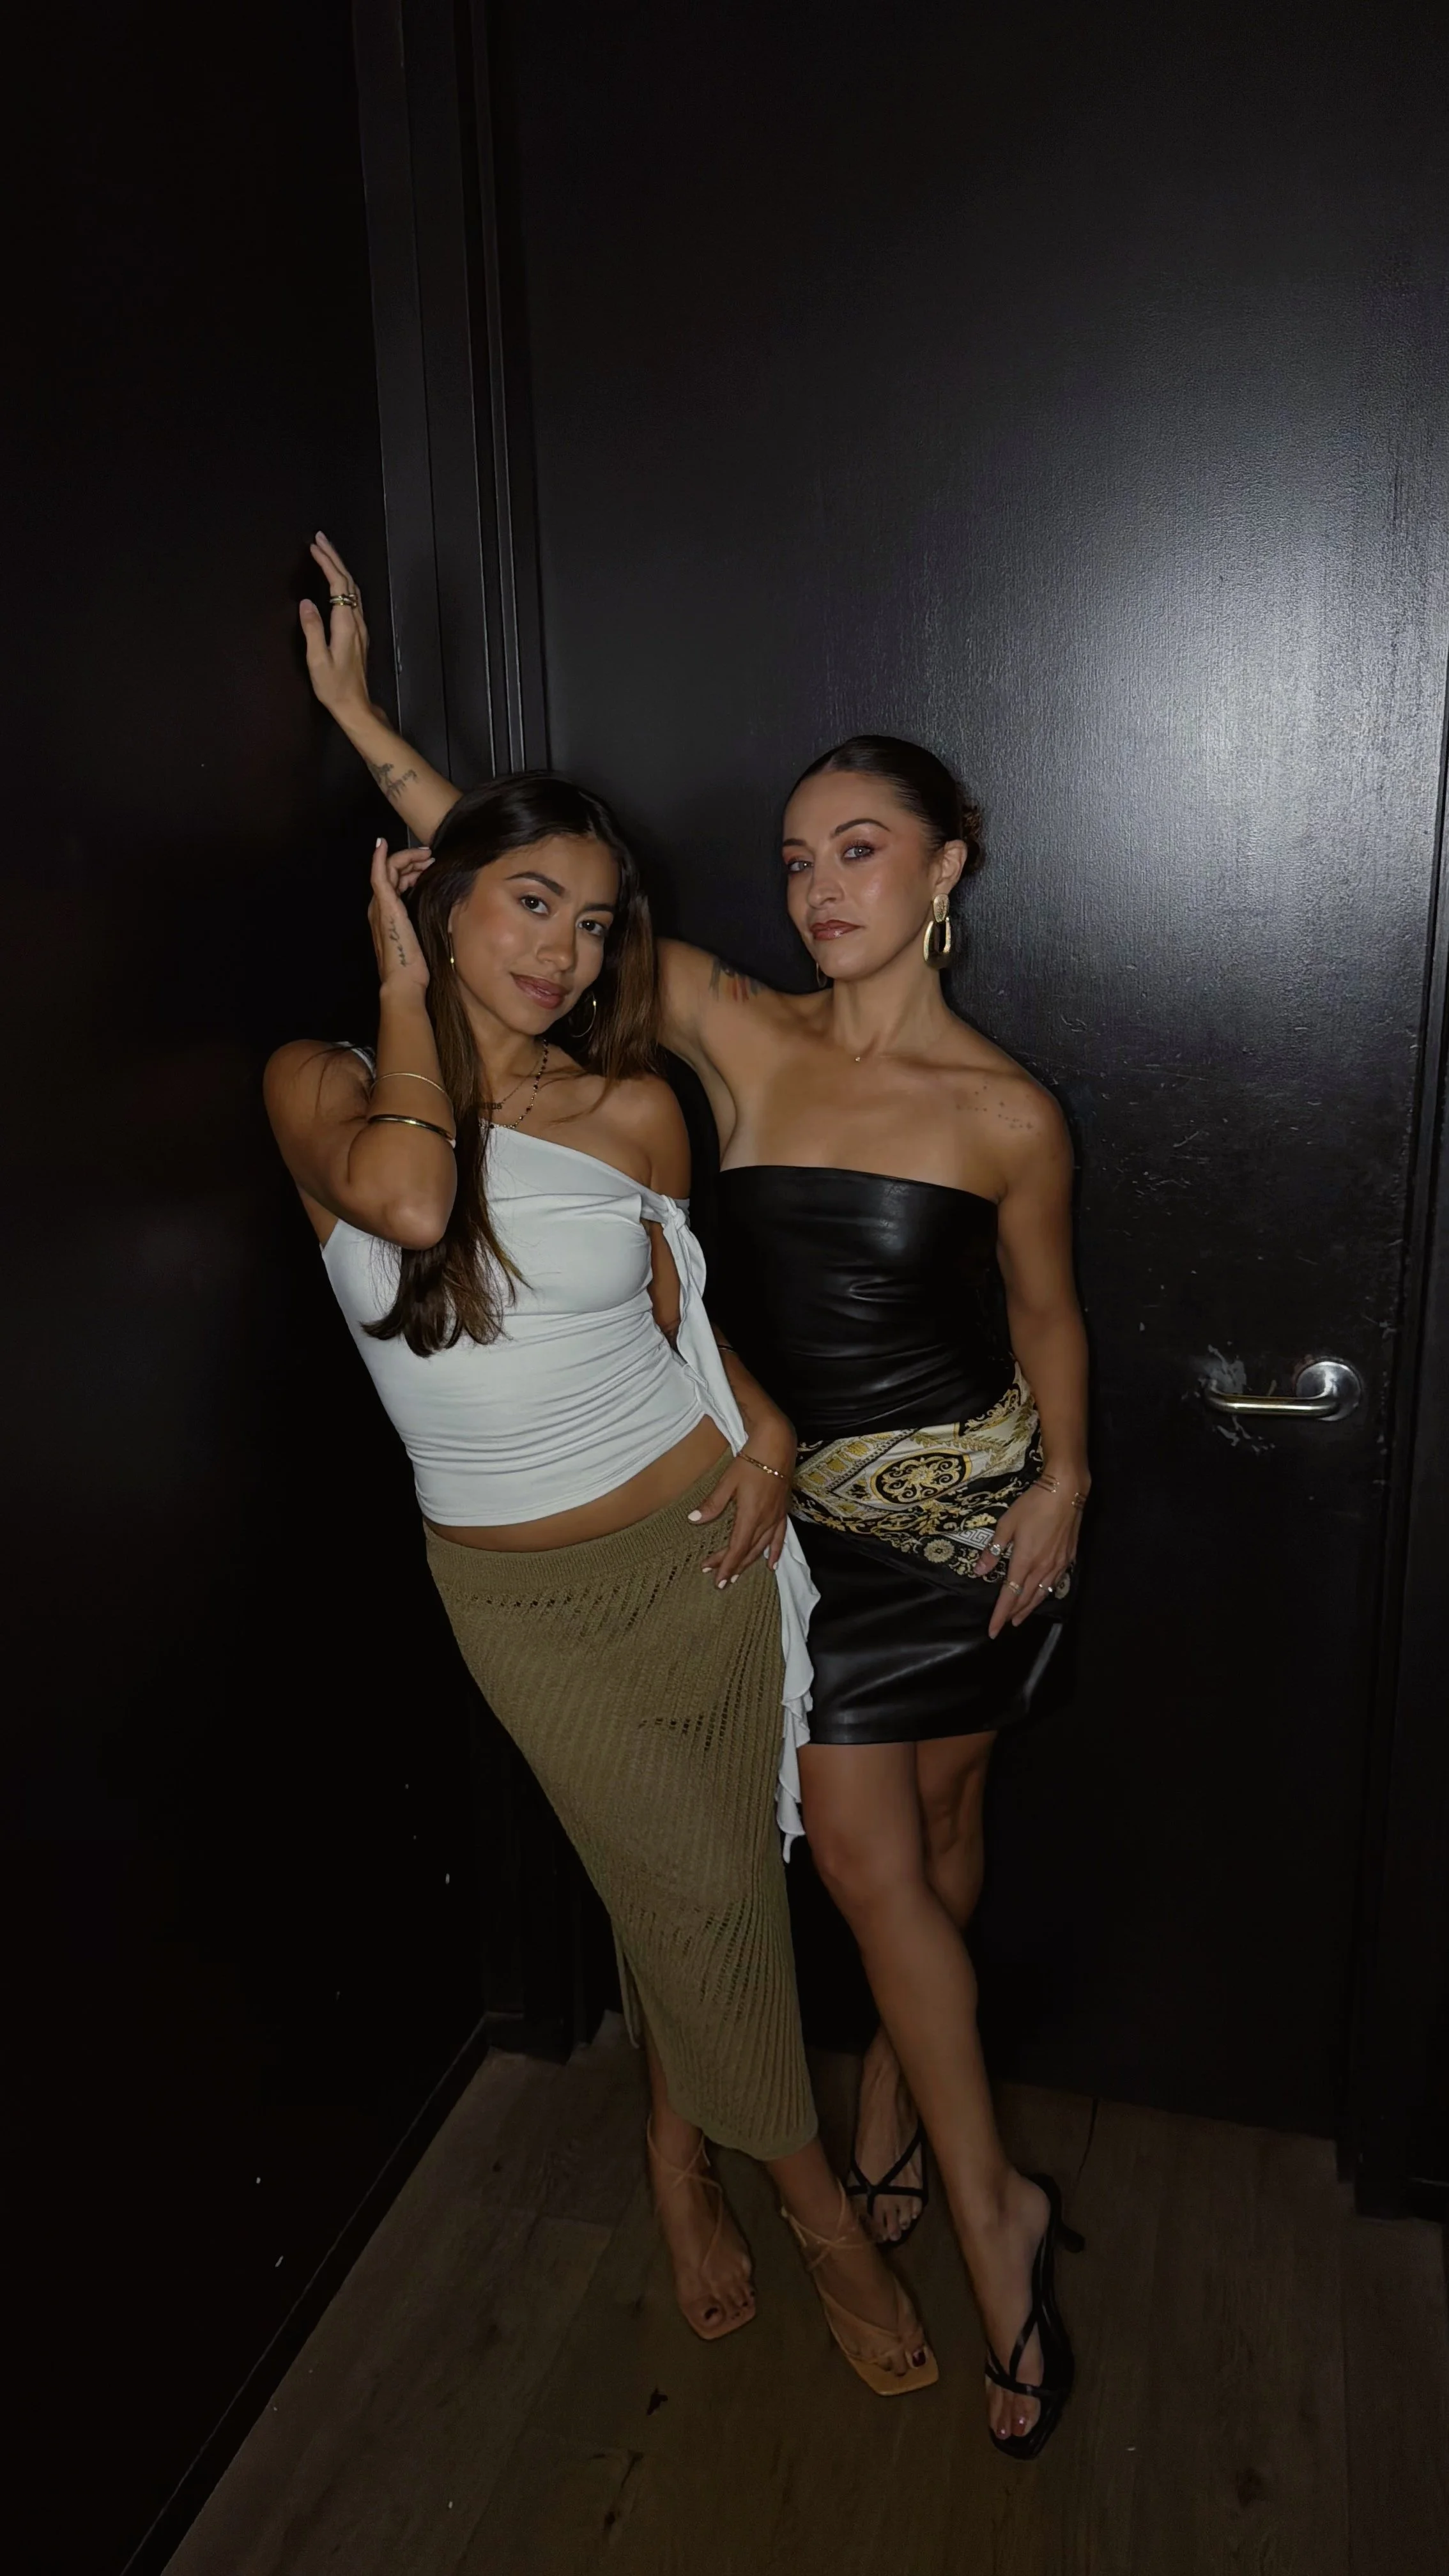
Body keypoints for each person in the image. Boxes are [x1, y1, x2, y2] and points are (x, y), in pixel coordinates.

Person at [297, 536, 1087, 2455]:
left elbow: (1047, 1311)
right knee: (810, 1872)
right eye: (800, 855)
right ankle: (954, 2222)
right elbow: (517, 895)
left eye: (860, 851)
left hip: (970, 1513)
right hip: (781, 1526)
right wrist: (362, 728)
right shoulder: (730, 1029)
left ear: (943, 867)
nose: (820, 886)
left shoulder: (1006, 1108)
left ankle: (899, 2132)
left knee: (942, 1836)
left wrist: (1068, 1480)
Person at [264, 769, 937, 2398]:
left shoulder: (632, 1110)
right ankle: (823, 2216)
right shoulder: (320, 1088)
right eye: (530, 904)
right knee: (701, 1897)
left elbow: (681, 1334)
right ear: (438, 905)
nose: (567, 950)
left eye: (595, 922)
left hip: (700, 1546)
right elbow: (418, 1199)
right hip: (526, 1609)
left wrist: (768, 1441)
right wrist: (395, 970)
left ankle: (678, 2152)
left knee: (698, 1889)